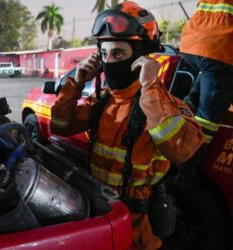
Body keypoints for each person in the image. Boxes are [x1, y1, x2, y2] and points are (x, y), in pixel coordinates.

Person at [50, 2, 204, 249]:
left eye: (119, 54)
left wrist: (150, 87)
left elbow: (181, 150)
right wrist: (75, 83)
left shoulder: (163, 104)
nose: (109, 62)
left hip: (138, 231)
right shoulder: (101, 101)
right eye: (104, 54)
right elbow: (59, 125)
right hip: (98, 218)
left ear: (142, 56)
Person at [180, 0, 233, 144]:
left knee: (210, 74)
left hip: (192, 43)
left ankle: (190, 103)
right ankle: (191, 158)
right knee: (209, 115)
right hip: (217, 48)